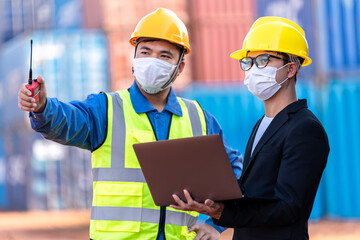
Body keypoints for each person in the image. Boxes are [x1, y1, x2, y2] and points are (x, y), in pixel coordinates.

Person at [17, 8, 242, 240]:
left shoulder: (199, 118)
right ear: (134, 57)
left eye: (165, 56)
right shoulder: (106, 109)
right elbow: (68, 121)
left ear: (179, 67)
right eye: (145, 52)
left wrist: (216, 224)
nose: (153, 61)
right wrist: (43, 106)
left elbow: (235, 173)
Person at [170, 16, 330, 240]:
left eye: (263, 60)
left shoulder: (305, 129)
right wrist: (209, 197)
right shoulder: (263, 124)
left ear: (291, 68)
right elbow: (255, 191)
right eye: (249, 62)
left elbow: (289, 208)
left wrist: (223, 212)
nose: (253, 69)